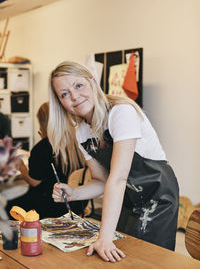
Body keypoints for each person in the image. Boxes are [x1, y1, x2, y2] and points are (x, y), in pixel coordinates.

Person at [50, 61, 179, 262]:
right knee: (120, 256)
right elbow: (102, 181)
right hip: (127, 197)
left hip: (157, 197)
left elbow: (117, 178)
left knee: (147, 259)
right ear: (60, 102)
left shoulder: (121, 112)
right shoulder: (82, 131)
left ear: (93, 82)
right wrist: (75, 193)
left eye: (78, 85)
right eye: (64, 94)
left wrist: (104, 238)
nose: (74, 97)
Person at [6, 102, 88, 219]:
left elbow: (34, 182)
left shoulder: (43, 147)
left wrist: (21, 167)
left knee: (7, 206)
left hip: (50, 205)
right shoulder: (77, 142)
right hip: (76, 203)